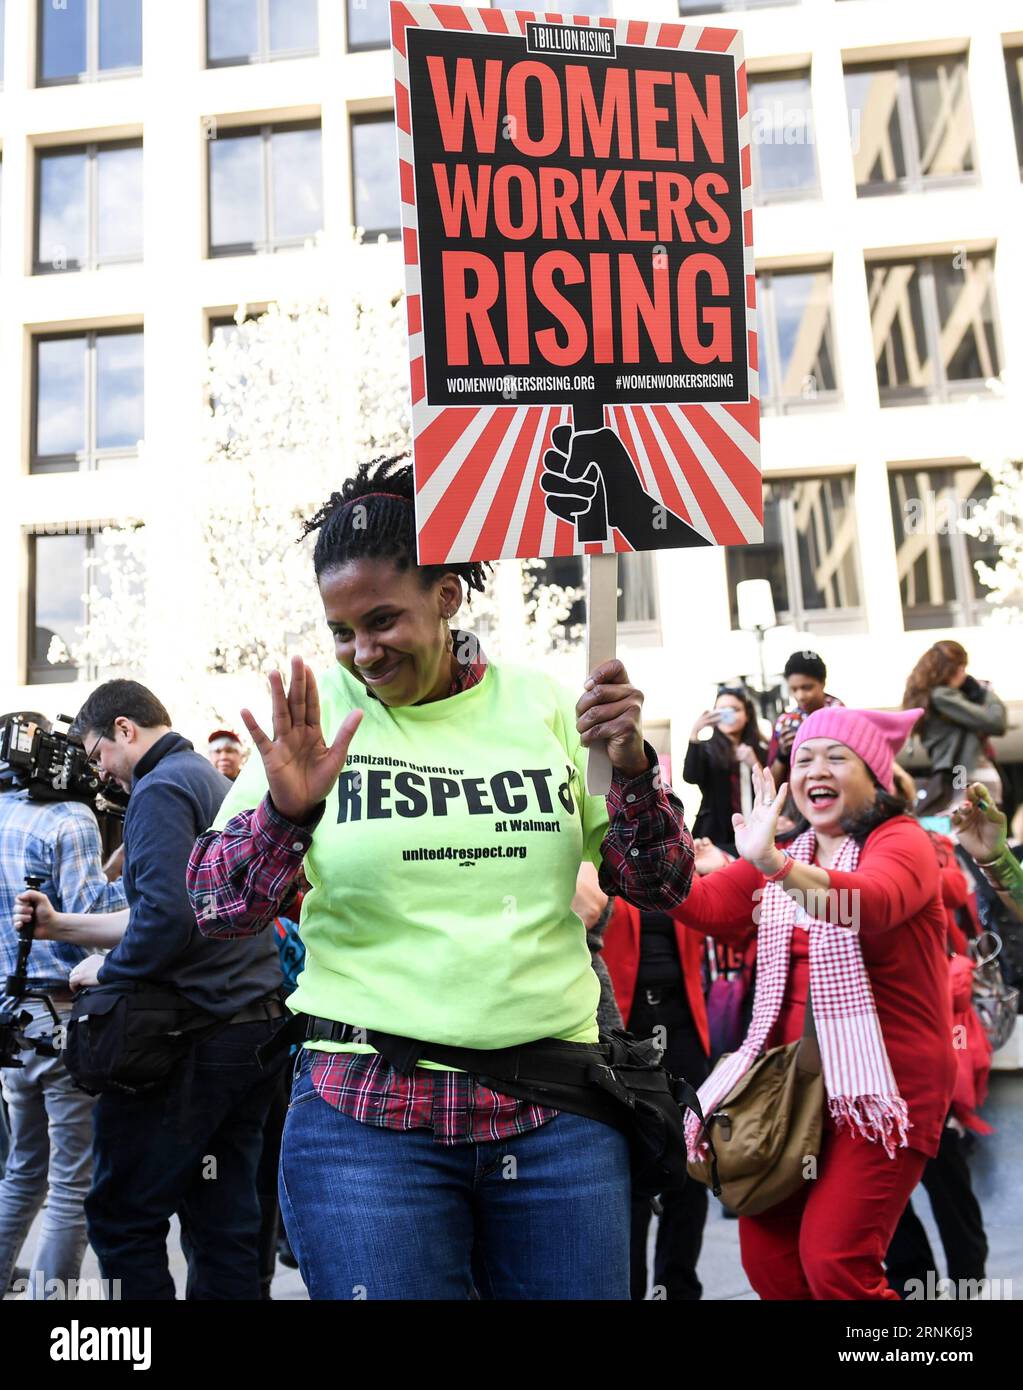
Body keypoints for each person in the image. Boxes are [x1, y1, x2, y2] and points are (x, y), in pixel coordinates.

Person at [186, 454, 695, 1301]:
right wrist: (286, 815)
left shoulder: (546, 709)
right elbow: (212, 906)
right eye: (342, 630)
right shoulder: (317, 728)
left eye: (382, 619)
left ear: (448, 597)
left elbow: (661, 884)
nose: (361, 651)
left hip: (555, 1117)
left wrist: (633, 765)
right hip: (364, 1123)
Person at [670, 706, 957, 1300]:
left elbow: (865, 904)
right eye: (803, 759)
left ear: (874, 774)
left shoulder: (900, 840)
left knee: (835, 1264)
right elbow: (706, 908)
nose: (813, 770)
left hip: (883, 1091)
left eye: (835, 757)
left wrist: (773, 864)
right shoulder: (788, 851)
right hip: (791, 1092)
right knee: (771, 1266)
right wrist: (642, 846)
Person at [17, 681, 286, 1300]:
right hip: (250, 1028)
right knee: (223, 1221)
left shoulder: (160, 790)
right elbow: (172, 910)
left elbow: (166, 921)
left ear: (124, 730)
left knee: (122, 1216)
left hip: (194, 1035)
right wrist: (62, 926)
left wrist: (106, 972)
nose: (101, 773)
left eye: (97, 755)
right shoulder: (208, 781)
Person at [0, 716, 127, 1300]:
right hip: (61, 1018)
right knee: (71, 1181)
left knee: (23, 1169)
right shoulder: (71, 819)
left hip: (10, 1017)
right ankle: (57, 1308)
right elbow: (87, 928)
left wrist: (115, 864)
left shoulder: (5, 813)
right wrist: (141, 874)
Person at [601, 894, 711, 1300]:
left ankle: (678, 1289)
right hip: (622, 1031)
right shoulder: (597, 865)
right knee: (630, 1172)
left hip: (681, 1030)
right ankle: (626, 1290)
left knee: (689, 1168)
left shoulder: (677, 876)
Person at [903, 641, 1007, 816]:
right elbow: (996, 721)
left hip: (962, 775)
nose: (964, 675)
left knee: (969, 826)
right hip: (966, 774)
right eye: (961, 668)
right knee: (972, 826)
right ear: (950, 670)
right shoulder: (942, 696)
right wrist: (985, 694)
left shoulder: (934, 698)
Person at [684, 687, 767, 853]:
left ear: (747, 715)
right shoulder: (706, 749)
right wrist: (695, 734)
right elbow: (690, 776)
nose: (728, 715)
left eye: (735, 710)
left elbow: (771, 792)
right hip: (714, 838)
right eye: (721, 710)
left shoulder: (760, 749)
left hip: (755, 835)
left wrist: (754, 764)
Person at [766, 651, 844, 785]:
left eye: (807, 687)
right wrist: (782, 755)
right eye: (794, 689)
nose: (800, 696)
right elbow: (771, 784)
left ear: (822, 682)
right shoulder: (785, 725)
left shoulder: (843, 719)